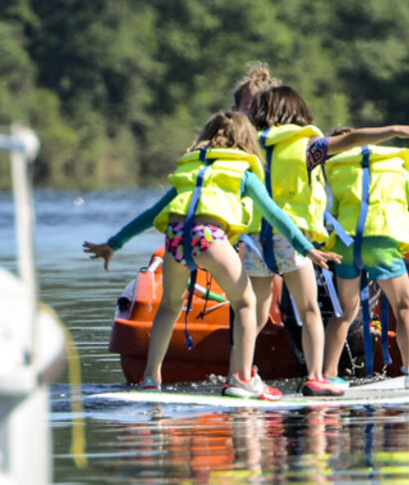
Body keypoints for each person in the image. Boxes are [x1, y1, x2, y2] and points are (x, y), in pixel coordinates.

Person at [83, 111, 337, 399]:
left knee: (169, 306)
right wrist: (305, 247)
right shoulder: (242, 172)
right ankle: (241, 377)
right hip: (209, 238)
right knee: (246, 302)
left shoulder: (190, 173)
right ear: (244, 141)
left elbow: (153, 214)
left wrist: (114, 243)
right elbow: (275, 214)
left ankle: (151, 377)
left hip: (176, 240)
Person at [318, 129, 409, 388]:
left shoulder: (340, 172)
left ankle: (327, 375)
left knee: (344, 313)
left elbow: (336, 218)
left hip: (347, 246)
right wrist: (399, 232)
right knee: (404, 307)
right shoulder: (397, 169)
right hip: (382, 245)